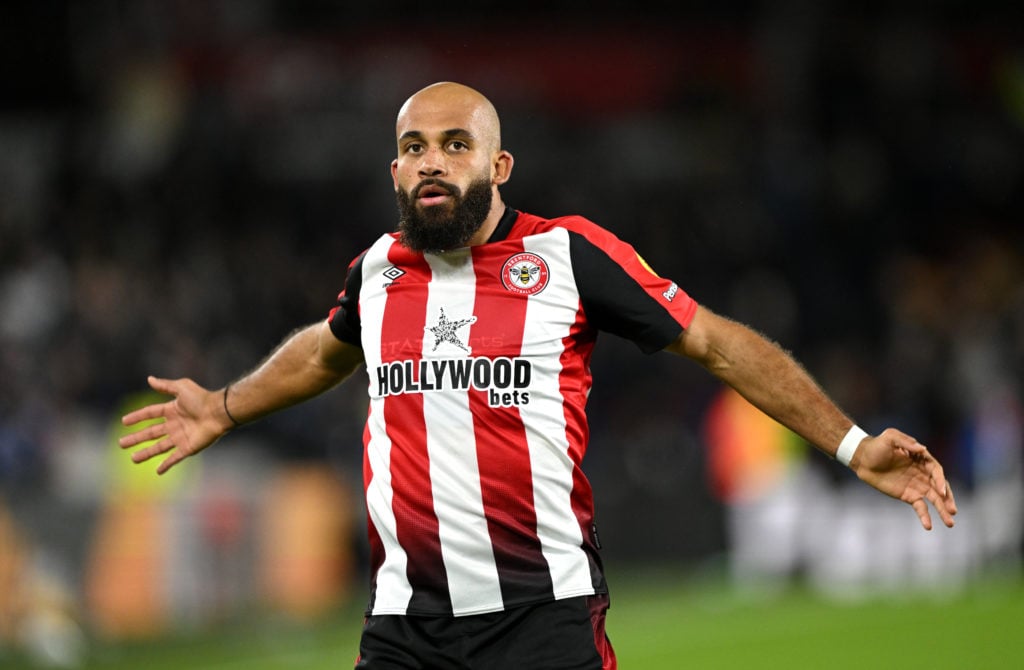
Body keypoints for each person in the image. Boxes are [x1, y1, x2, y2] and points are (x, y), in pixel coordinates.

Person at [120, 81, 957, 669]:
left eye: (456, 144)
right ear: (395, 173)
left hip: (542, 620)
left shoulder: (568, 255)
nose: (434, 162)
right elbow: (326, 350)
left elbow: (718, 344)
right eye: (415, 148)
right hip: (405, 626)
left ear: (501, 165)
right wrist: (225, 407)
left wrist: (851, 446)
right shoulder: (376, 270)